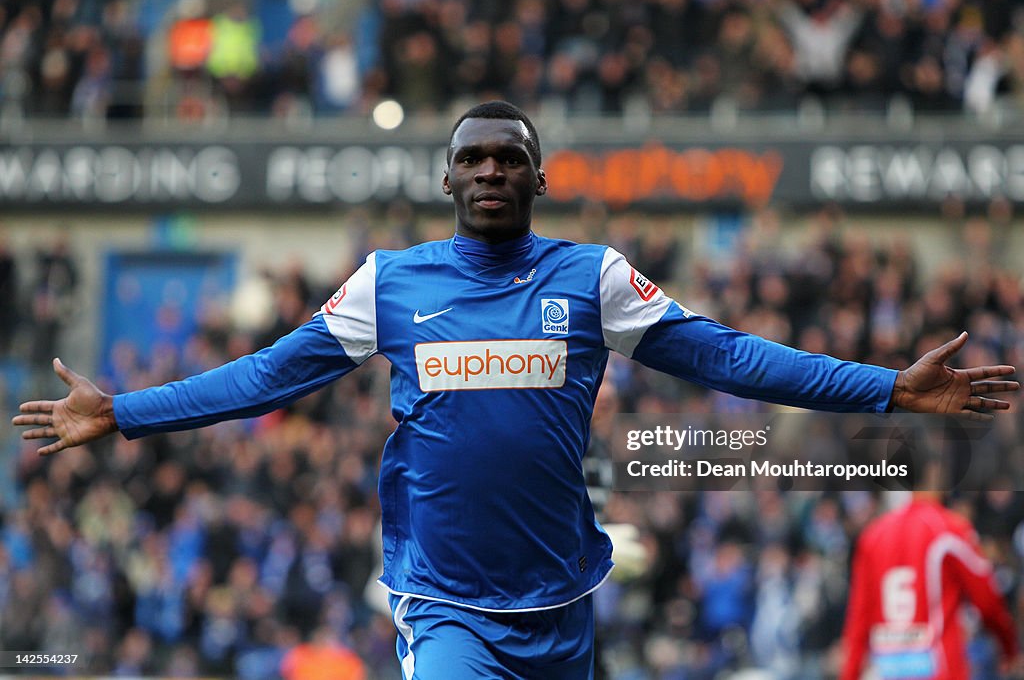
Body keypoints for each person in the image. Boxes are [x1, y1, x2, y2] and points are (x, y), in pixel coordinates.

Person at [13, 101, 1019, 679]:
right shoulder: (389, 283)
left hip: (564, 599)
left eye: (511, 158)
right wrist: (126, 410)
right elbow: (270, 373)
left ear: (537, 178)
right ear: (449, 179)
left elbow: (731, 356)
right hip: (443, 601)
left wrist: (887, 388)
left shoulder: (592, 279)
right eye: (473, 159)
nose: (492, 171)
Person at [840, 486, 1019, 680]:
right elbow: (988, 602)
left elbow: (858, 618)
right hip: (938, 668)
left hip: (888, 668)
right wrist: (1009, 648)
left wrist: (850, 673)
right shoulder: (947, 529)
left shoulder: (872, 536)